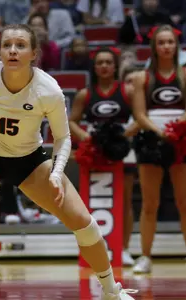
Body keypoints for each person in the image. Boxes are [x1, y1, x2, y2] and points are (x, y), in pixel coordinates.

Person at [0, 24, 137, 300]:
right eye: (7, 44)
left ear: (34, 53)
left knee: (84, 221)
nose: (12, 50)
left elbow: (63, 138)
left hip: (29, 160)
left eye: (20, 45)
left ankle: (110, 290)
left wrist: (57, 173)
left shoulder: (48, 89)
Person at [68, 47, 139, 266]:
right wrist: (89, 139)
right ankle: (94, 249)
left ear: (115, 66)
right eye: (100, 63)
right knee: (92, 201)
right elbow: (71, 121)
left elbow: (140, 119)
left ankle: (124, 248)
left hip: (121, 151)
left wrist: (118, 138)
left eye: (109, 62)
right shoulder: (85, 94)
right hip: (95, 151)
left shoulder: (127, 90)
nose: (105, 66)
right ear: (95, 67)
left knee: (124, 199)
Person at [131, 25, 186, 274]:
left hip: (181, 140)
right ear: (154, 46)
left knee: (184, 202)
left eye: (170, 42)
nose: (166, 46)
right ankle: (145, 256)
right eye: (161, 42)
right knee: (149, 203)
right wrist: (160, 132)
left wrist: (176, 129)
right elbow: (139, 114)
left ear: (176, 46)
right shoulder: (143, 78)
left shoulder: (185, 75)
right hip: (152, 140)